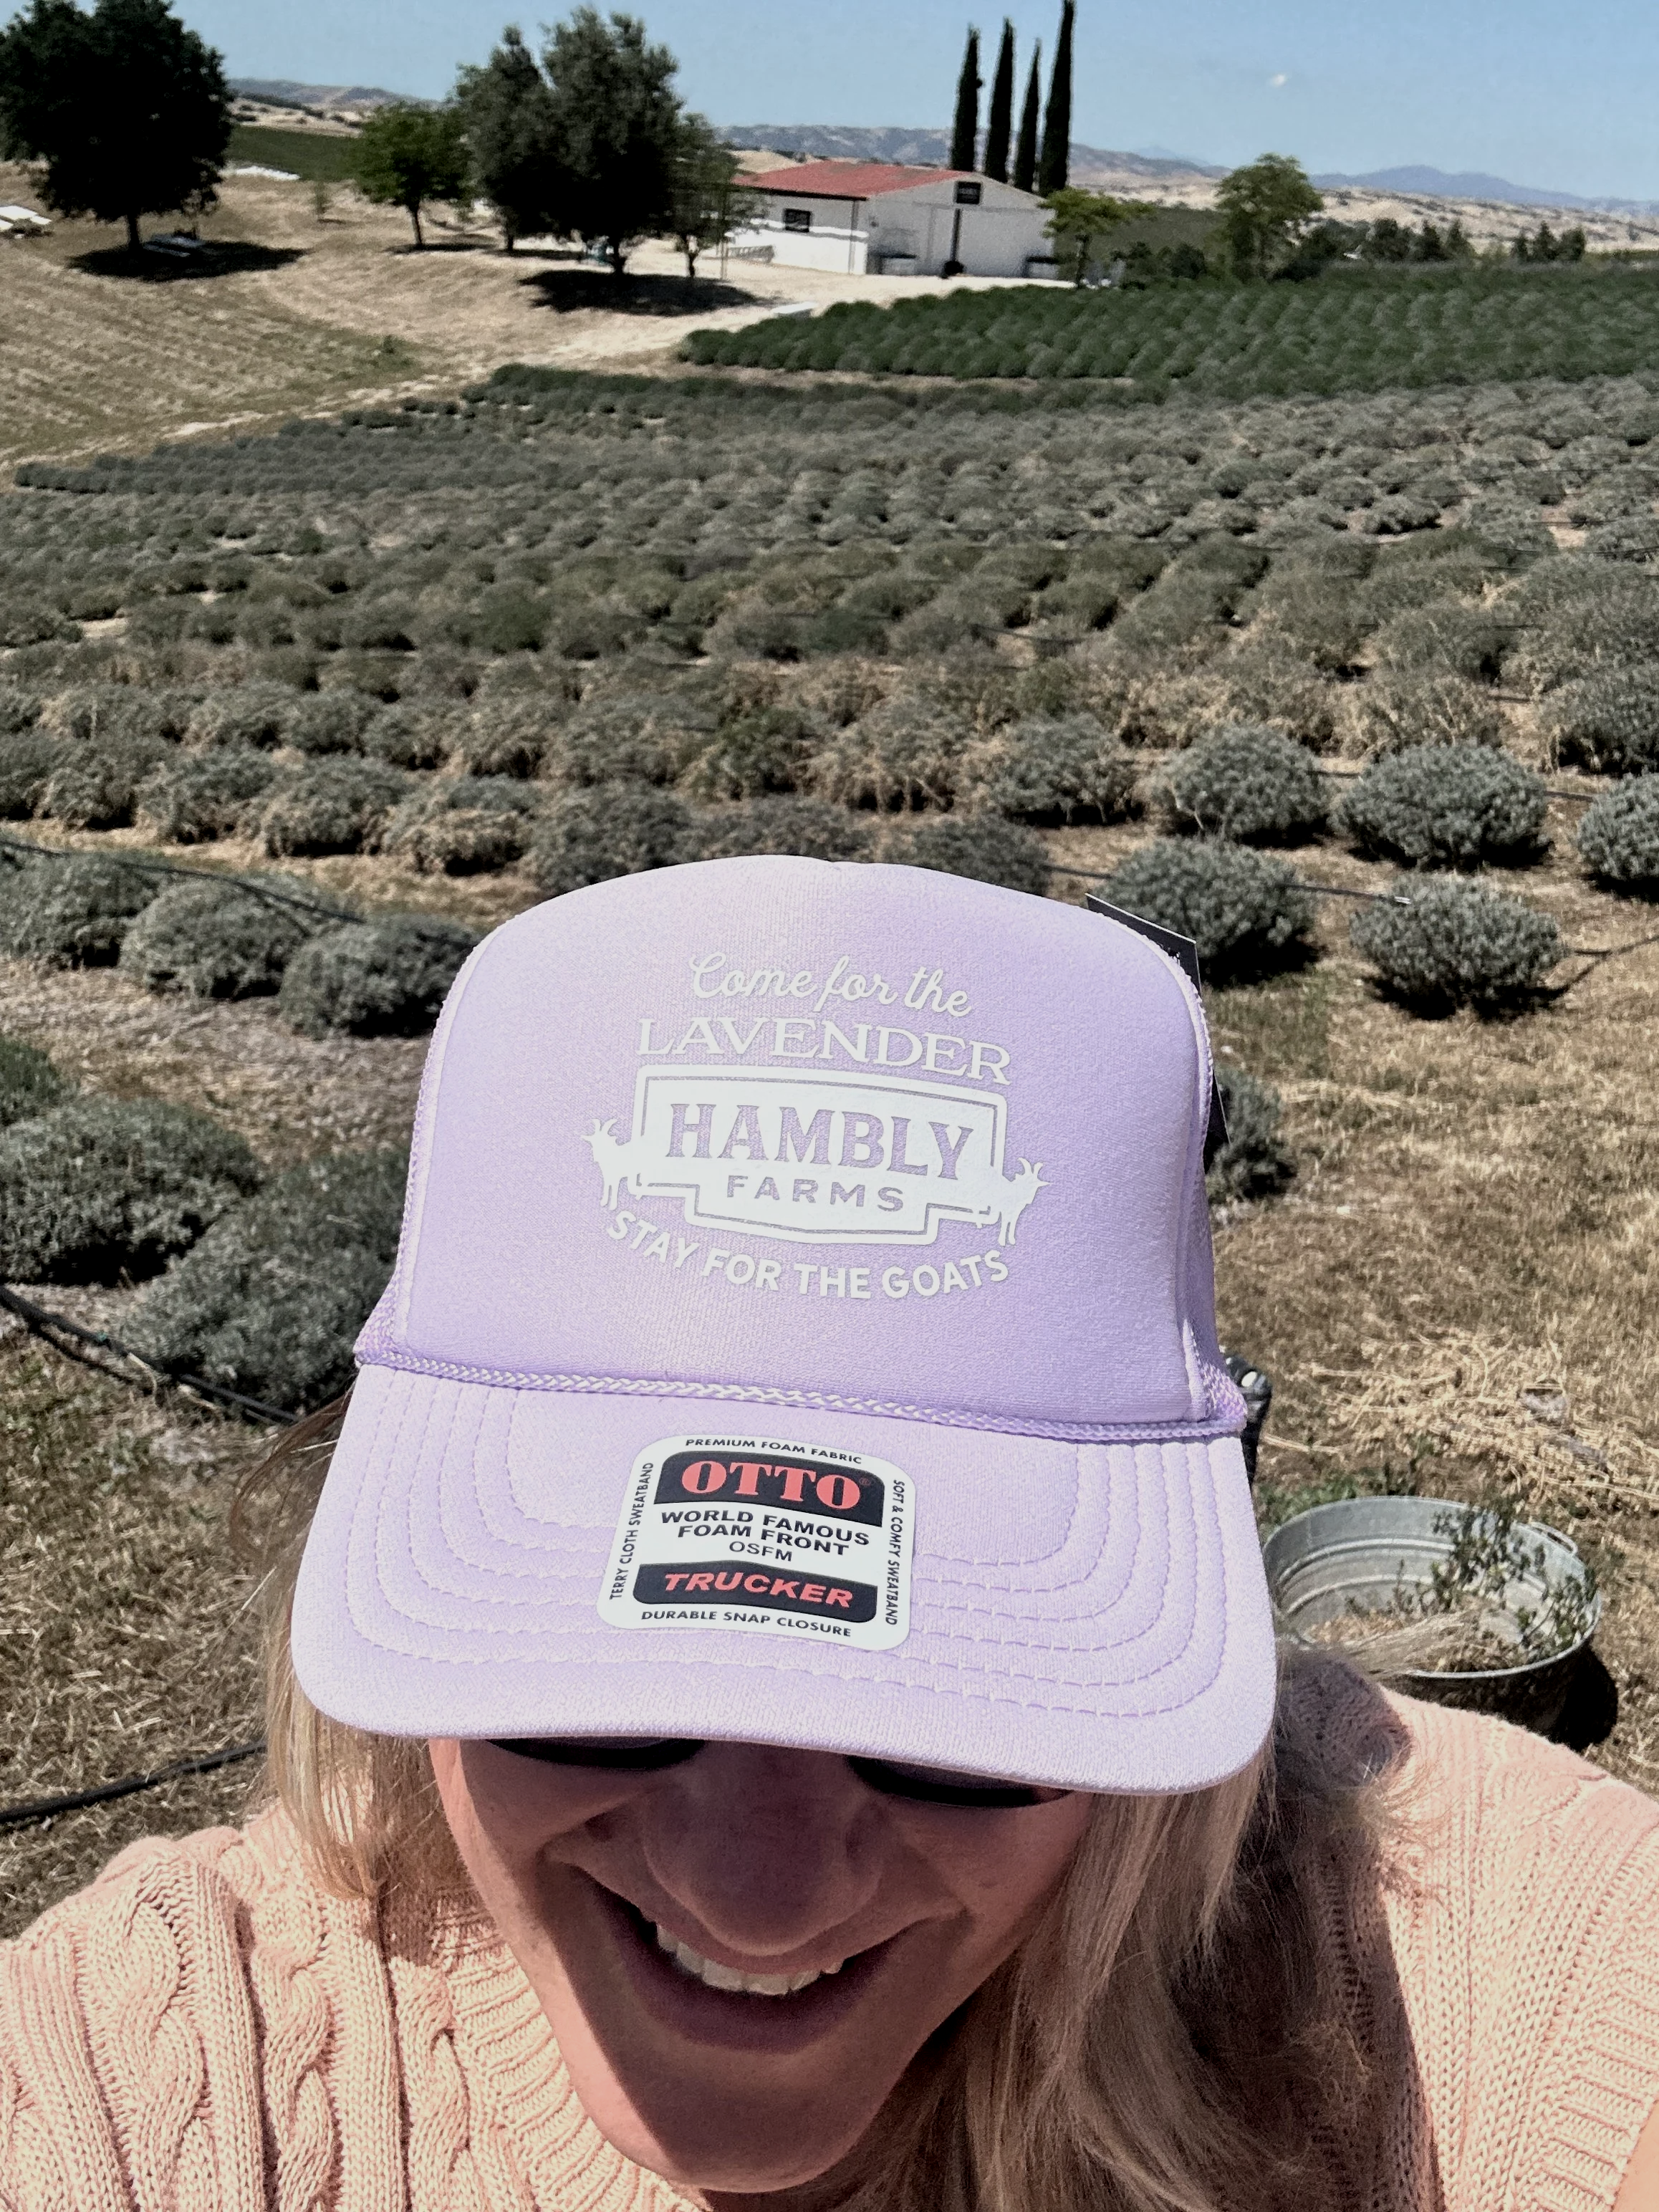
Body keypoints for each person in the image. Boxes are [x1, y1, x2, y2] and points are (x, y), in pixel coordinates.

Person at [3, 854, 1658, 2212]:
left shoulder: (1473, 1962)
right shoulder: (165, 2072)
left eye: (953, 1713)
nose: (766, 1897)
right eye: (596, 1678)